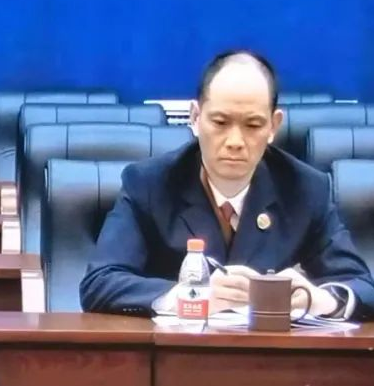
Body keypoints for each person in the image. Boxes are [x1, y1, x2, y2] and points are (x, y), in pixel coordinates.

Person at [80, 50, 373, 321]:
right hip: (176, 352)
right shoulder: (149, 184)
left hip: (269, 353)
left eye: (253, 125)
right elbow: (100, 282)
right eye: (220, 122)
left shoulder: (306, 189)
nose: (235, 141)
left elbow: (363, 287)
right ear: (195, 118)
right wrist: (187, 296)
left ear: (274, 126)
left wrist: (318, 299)